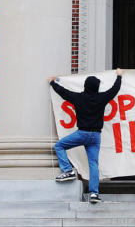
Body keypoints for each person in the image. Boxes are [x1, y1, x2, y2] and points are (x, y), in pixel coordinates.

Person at [48, 68, 124, 204]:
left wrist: (53, 83)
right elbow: (114, 90)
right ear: (96, 87)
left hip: (82, 134)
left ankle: (68, 171)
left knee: (59, 146)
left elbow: (63, 93)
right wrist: (119, 76)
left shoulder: (78, 98)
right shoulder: (101, 98)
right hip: (96, 136)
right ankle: (94, 193)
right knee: (93, 164)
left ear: (85, 86)